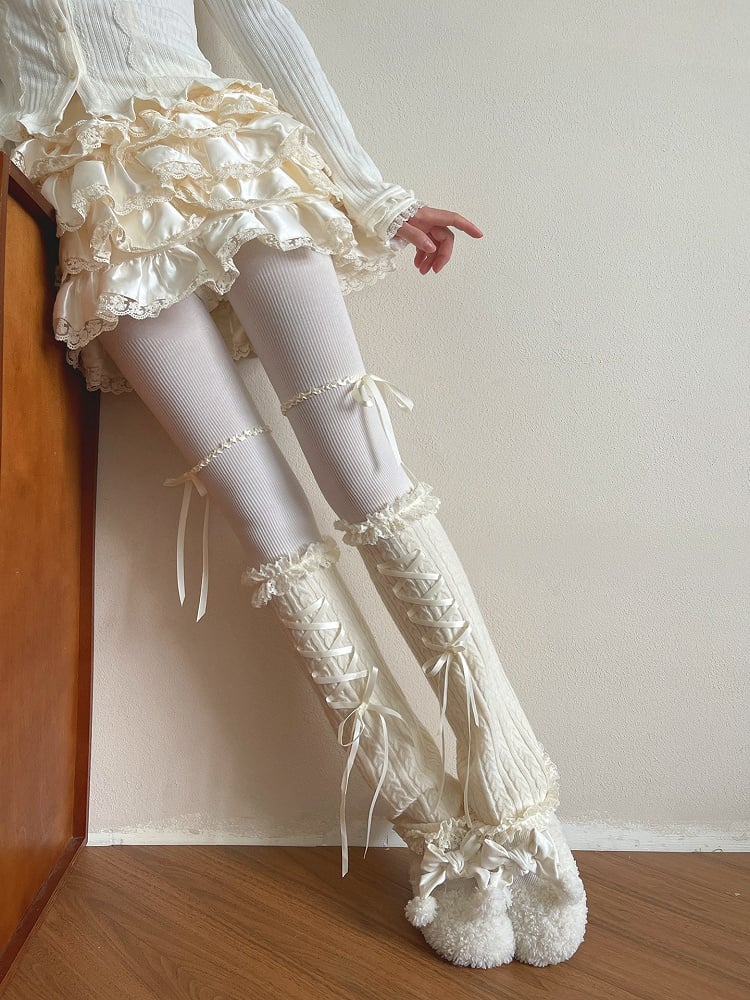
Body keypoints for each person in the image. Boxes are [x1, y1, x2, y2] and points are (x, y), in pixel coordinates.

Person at [1, 0, 587, 969]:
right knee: (263, 516)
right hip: (98, 202)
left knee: (364, 470)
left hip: (220, 148)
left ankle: (517, 797)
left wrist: (372, 194)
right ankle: (429, 822)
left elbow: (261, 21)